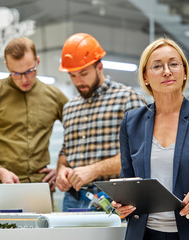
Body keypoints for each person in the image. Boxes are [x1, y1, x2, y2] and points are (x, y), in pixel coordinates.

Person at [111, 38, 189, 240]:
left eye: (174, 64)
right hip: (144, 233)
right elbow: (129, 182)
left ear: (184, 71)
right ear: (145, 77)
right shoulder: (131, 122)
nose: (167, 71)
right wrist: (122, 204)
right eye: (157, 66)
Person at [55, 33, 145, 211]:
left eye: (83, 73)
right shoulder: (70, 107)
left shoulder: (128, 99)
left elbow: (139, 155)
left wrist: (93, 170)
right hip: (72, 199)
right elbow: (65, 151)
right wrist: (61, 170)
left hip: (111, 198)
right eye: (72, 76)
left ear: (100, 67)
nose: (78, 81)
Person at [0, 37, 68, 190]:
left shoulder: (54, 96)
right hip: (2, 188)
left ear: (37, 61)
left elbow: (78, 134)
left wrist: (61, 168)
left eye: (29, 71)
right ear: (7, 66)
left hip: (41, 187)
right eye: (16, 73)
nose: (24, 79)